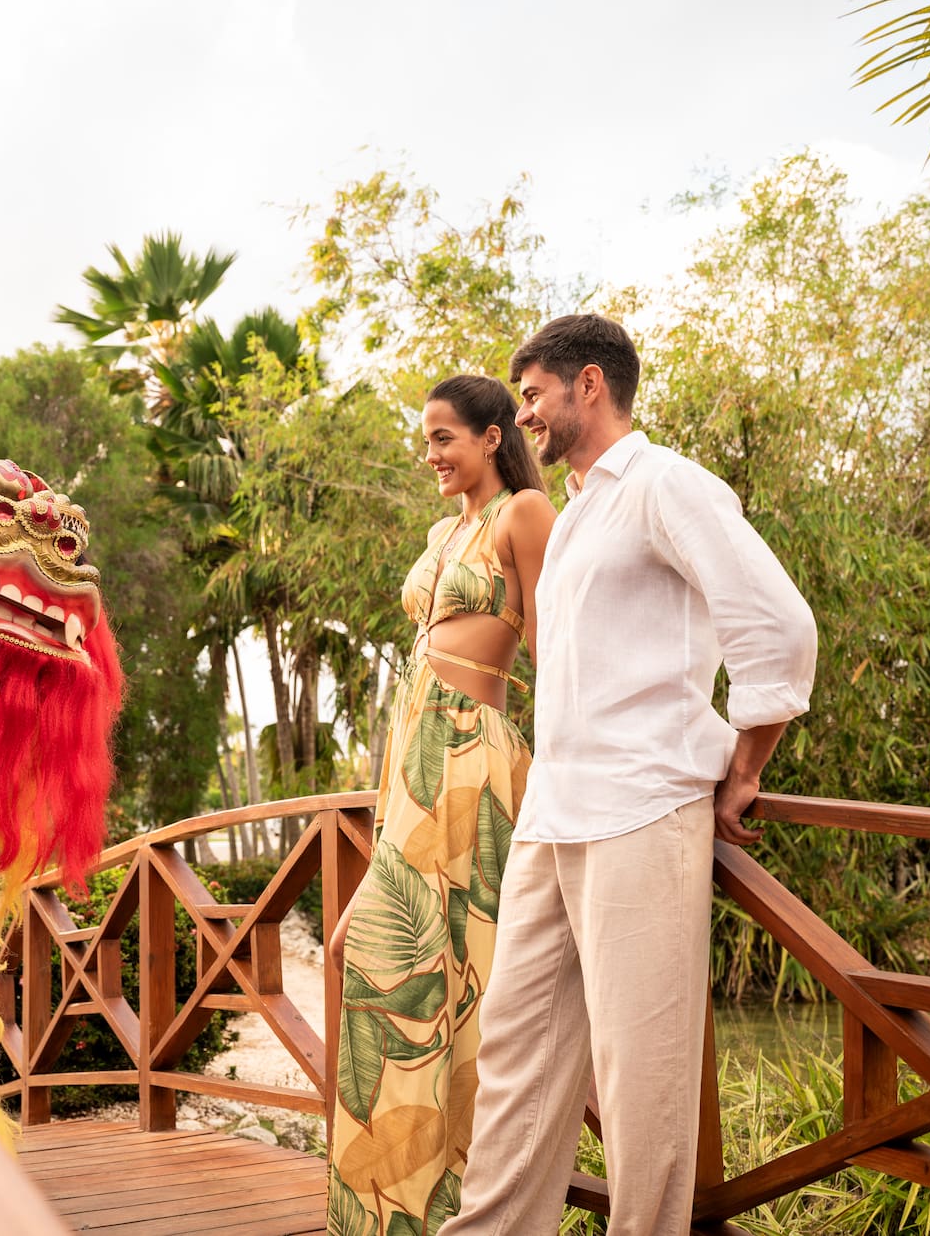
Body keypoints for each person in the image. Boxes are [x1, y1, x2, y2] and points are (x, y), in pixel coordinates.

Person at [441, 314, 817, 1236]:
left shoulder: (665, 485)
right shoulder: (571, 519)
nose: (525, 414)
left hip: (645, 811)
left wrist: (745, 766)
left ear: (591, 385)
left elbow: (778, 625)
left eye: (533, 394)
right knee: (516, 1068)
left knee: (642, 1083)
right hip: (554, 817)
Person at [328, 374, 555, 1235]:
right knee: (380, 966)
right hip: (413, 761)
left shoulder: (523, 516)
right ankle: (392, 1210)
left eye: (445, 438)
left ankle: (471, 1204)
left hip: (473, 756)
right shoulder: (443, 528)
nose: (431, 455)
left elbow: (557, 650)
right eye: (425, 440)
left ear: (495, 435)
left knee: (469, 980)